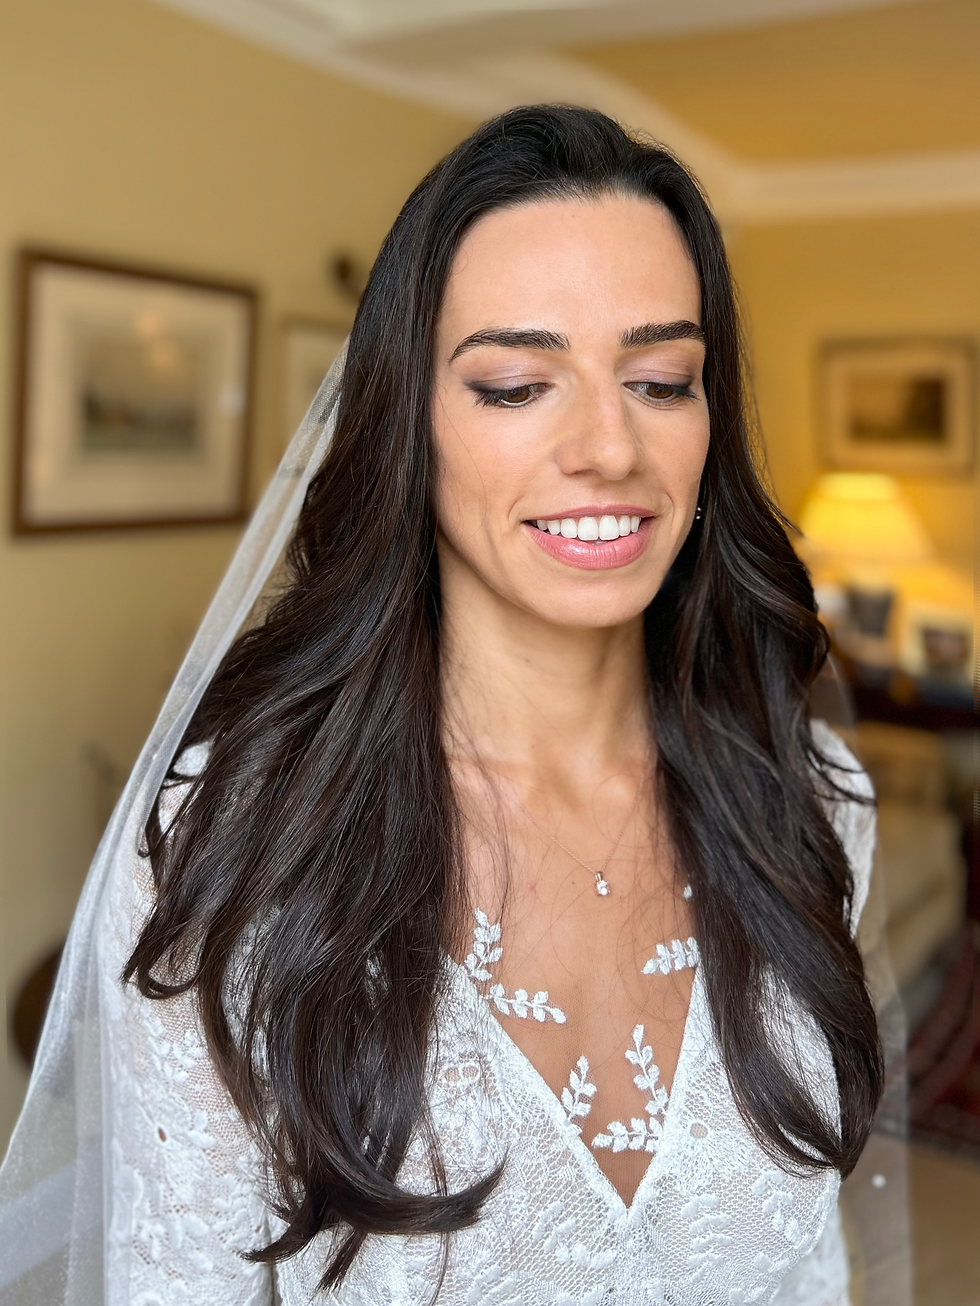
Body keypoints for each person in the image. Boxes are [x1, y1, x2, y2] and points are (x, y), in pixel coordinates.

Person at [0, 105, 905, 1306]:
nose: (606, 446)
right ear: (406, 425)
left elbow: (808, 1264)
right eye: (518, 384)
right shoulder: (228, 846)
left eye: (659, 378)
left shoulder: (807, 796)